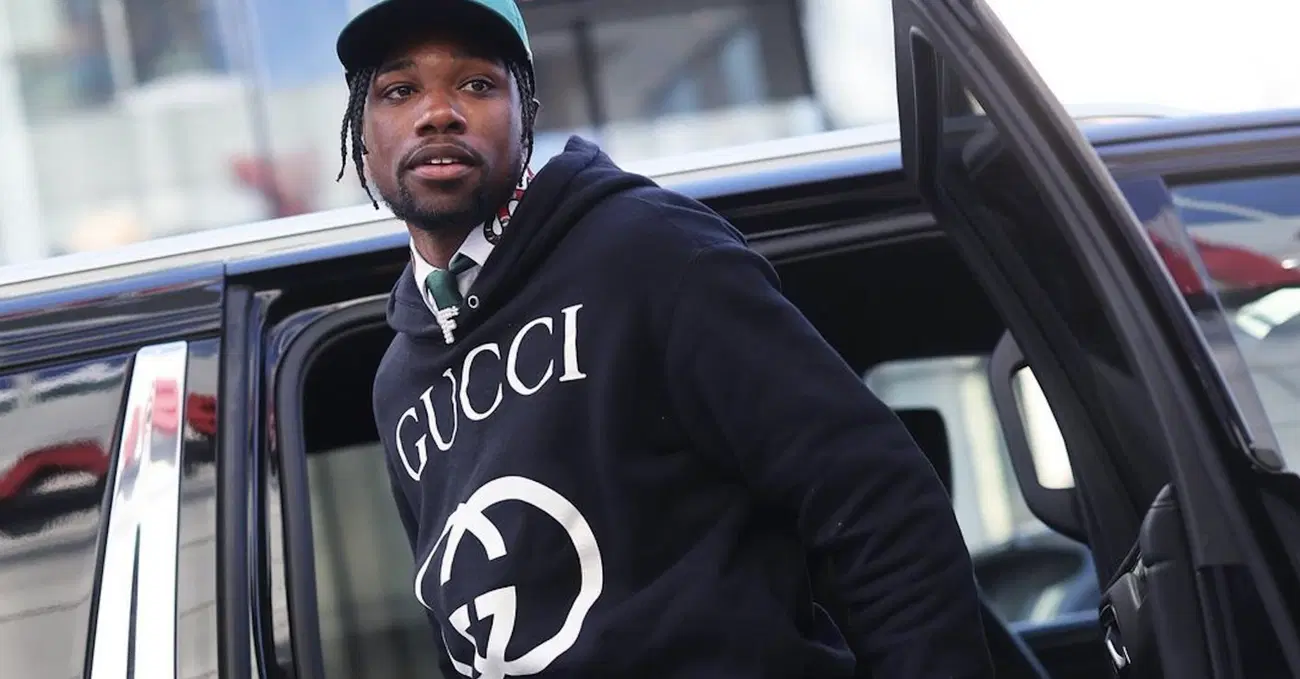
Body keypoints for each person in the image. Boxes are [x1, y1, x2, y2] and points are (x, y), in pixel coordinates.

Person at [338, 1, 994, 676]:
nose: (438, 113)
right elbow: (459, 634)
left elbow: (879, 503)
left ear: (525, 112)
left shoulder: (647, 251)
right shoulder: (398, 382)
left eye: (477, 84)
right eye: (400, 90)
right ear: (362, 135)